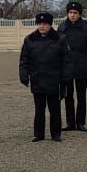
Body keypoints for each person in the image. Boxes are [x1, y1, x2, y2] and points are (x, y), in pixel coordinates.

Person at [18, 11, 70, 141]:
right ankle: (38, 134)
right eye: (39, 23)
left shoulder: (59, 38)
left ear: (50, 25)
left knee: (55, 109)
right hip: (37, 78)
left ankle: (56, 134)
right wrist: (24, 76)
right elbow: (24, 60)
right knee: (39, 109)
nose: (42, 26)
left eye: (45, 24)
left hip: (54, 79)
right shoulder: (29, 39)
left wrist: (66, 78)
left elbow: (67, 60)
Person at [57, 1, 87, 132]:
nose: (72, 15)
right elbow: (57, 48)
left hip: (82, 66)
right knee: (68, 96)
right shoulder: (62, 27)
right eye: (70, 13)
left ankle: (81, 122)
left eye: (75, 13)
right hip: (66, 67)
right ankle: (70, 123)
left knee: (81, 96)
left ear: (79, 14)